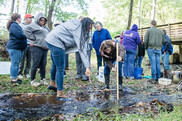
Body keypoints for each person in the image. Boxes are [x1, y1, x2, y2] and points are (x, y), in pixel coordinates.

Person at [45, 17, 94, 101]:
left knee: (55, 65)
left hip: (49, 40)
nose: (89, 30)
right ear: (84, 25)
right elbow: (82, 48)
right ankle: (60, 94)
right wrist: (87, 67)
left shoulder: (75, 24)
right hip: (56, 42)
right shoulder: (77, 28)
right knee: (60, 68)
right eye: (89, 28)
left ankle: (52, 84)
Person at [24, 12, 50, 87]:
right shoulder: (34, 25)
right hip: (36, 47)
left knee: (43, 64)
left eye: (44, 20)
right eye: (41, 20)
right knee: (35, 63)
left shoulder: (45, 28)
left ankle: (43, 79)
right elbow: (26, 30)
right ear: (38, 20)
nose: (42, 21)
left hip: (45, 48)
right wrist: (33, 38)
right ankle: (33, 81)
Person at [6, 13, 27, 84]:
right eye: (20, 18)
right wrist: (26, 35)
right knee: (15, 63)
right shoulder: (13, 25)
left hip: (19, 48)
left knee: (17, 63)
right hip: (14, 47)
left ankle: (15, 77)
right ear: (17, 18)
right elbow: (19, 35)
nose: (21, 19)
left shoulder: (16, 25)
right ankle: (13, 80)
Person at [18, 14, 34, 78]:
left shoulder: (32, 26)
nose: (31, 19)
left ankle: (26, 73)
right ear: (26, 18)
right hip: (23, 44)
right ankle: (19, 73)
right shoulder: (20, 25)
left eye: (31, 18)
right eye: (30, 18)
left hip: (31, 44)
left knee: (29, 60)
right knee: (22, 59)